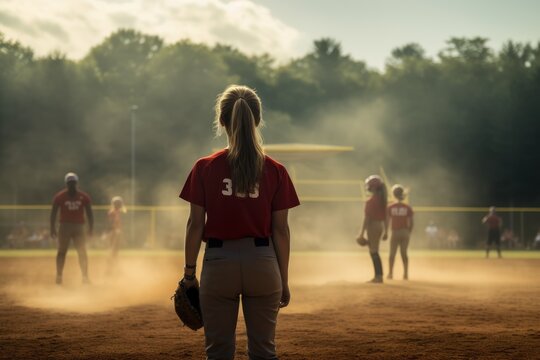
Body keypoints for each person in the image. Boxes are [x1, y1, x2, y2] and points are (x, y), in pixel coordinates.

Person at [179, 85, 300, 360]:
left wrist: (189, 274)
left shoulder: (204, 167)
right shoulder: (276, 170)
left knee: (218, 353)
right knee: (264, 351)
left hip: (219, 263)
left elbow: (195, 225)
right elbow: (281, 231)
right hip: (263, 262)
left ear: (222, 121)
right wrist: (283, 279)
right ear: (257, 120)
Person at [50, 172, 94, 284]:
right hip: (64, 226)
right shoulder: (60, 196)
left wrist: (91, 228)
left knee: (82, 252)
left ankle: (85, 277)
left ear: (77, 183)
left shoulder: (84, 197)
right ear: (66, 184)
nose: (72, 185)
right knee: (61, 252)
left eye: (73, 183)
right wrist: (52, 227)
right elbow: (53, 212)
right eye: (70, 183)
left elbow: (89, 213)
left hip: (79, 226)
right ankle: (59, 276)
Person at [357, 175, 388, 283]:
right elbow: (386, 217)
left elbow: (367, 218)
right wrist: (386, 231)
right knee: (374, 250)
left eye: (370, 186)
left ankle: (378, 276)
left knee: (374, 251)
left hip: (373, 226)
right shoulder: (382, 200)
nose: (368, 187)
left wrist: (361, 233)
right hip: (379, 226)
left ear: (373, 187)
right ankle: (378, 275)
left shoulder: (371, 201)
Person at [386, 184, 413, 280]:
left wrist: (386, 232)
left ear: (394, 194)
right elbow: (411, 223)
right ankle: (405, 274)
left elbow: (387, 221)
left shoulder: (390, 207)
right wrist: (408, 232)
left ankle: (390, 273)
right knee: (404, 253)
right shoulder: (407, 207)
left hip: (395, 232)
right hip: (405, 232)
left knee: (392, 254)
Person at [107, 196, 126, 273]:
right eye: (119, 203)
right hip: (114, 233)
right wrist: (115, 230)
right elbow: (111, 223)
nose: (120, 205)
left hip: (116, 233)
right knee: (113, 251)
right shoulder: (113, 212)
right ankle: (110, 269)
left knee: (115, 251)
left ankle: (114, 268)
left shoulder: (117, 211)